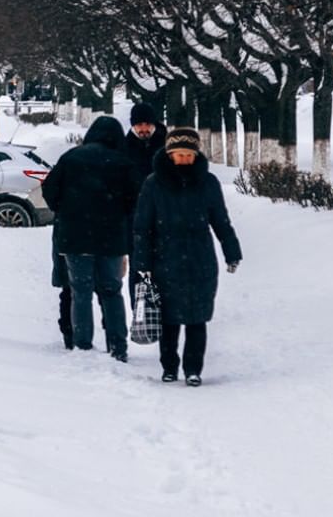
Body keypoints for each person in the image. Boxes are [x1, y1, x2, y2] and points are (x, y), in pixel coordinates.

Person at [133, 126, 242, 386]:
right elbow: (142, 227)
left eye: (189, 155)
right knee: (169, 319)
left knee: (197, 318)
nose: (184, 159)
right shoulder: (153, 183)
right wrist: (143, 262)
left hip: (200, 259)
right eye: (179, 154)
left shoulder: (208, 182)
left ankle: (193, 369)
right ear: (170, 154)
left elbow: (221, 221)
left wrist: (231, 252)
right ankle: (169, 367)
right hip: (164, 259)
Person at [42, 116, 135, 360]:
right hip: (111, 238)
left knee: (80, 291)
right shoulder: (123, 163)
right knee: (112, 292)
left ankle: (82, 345)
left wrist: (64, 209)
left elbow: (49, 189)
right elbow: (134, 199)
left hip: (75, 237)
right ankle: (118, 347)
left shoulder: (72, 158)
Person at [123, 102, 168, 300]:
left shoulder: (167, 147)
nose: (143, 129)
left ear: (154, 124)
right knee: (138, 268)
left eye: (147, 124)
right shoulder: (124, 149)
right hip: (135, 221)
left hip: (164, 219)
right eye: (139, 125)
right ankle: (140, 315)